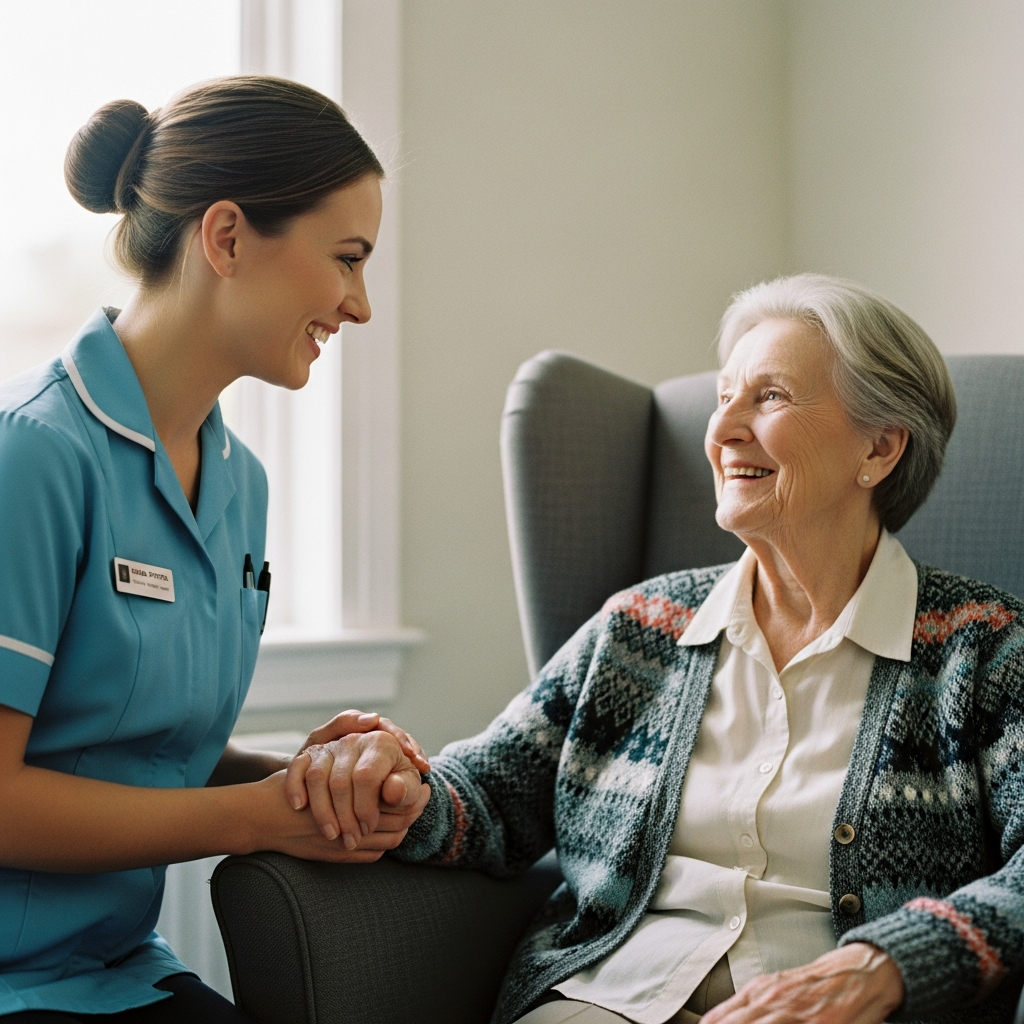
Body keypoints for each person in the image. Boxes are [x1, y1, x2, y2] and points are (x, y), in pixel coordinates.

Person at [301, 274, 1024, 1023]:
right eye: (723, 399)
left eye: (769, 397)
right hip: (605, 1002)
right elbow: (486, 795)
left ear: (878, 448)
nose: (723, 431)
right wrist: (386, 779)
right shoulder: (639, 628)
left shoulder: (984, 651)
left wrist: (890, 965)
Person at [0, 77, 432, 1022]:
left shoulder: (239, 484)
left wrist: (317, 784)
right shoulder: (30, 454)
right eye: (347, 258)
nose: (358, 305)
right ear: (227, 237)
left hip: (116, 970)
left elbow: (140, 751)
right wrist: (258, 815)